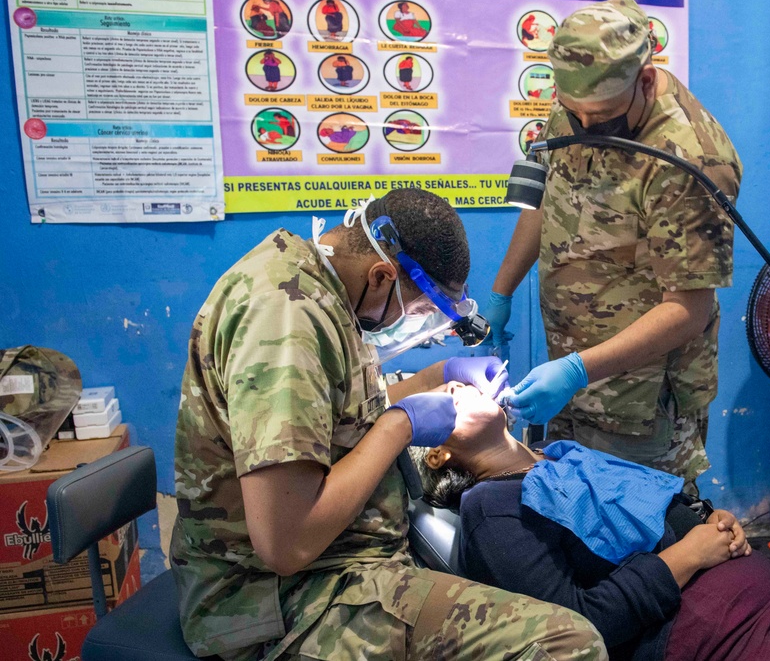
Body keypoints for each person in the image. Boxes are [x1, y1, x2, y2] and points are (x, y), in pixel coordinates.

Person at [170, 189, 607, 661]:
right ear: (382, 276)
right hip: (276, 598)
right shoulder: (286, 320)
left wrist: (437, 377)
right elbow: (286, 544)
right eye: (419, 310)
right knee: (568, 645)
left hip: (346, 554)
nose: (416, 323)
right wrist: (400, 424)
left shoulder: (316, 284)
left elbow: (342, 412)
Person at [417, 383, 770, 661]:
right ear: (439, 452)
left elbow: (653, 510)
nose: (463, 383)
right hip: (721, 638)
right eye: (447, 393)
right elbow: (572, 627)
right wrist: (689, 555)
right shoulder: (490, 507)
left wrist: (712, 521)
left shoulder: (560, 455)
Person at [486, 0, 742, 494]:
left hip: (640, 397)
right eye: (572, 113)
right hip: (569, 374)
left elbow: (689, 308)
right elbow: (546, 199)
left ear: (645, 80)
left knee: (641, 539)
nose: (585, 129)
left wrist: (579, 369)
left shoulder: (690, 160)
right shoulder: (584, 99)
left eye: (600, 119)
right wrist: (502, 293)